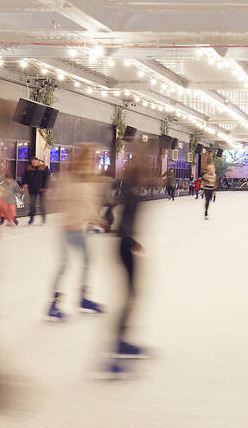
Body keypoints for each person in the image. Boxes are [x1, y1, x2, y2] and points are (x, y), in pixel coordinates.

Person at [47, 145, 106, 320]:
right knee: (65, 265)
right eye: (88, 159)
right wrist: (94, 219)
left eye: (92, 160)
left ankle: (83, 298)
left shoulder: (89, 180)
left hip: (79, 229)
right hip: (67, 228)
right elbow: (66, 201)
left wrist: (97, 220)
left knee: (88, 261)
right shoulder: (71, 179)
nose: (91, 163)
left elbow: (90, 204)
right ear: (81, 160)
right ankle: (53, 304)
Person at [107, 155, 148, 372]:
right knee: (130, 295)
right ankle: (114, 350)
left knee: (132, 295)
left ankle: (121, 342)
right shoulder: (132, 193)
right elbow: (124, 223)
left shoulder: (133, 191)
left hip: (126, 244)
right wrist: (130, 240)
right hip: (124, 246)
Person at [22, 156, 50, 225]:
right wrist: (24, 183)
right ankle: (31, 218)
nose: (33, 163)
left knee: (42, 204)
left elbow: (47, 178)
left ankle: (43, 218)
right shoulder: (29, 167)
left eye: (34, 162)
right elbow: (24, 177)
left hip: (42, 188)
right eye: (32, 162)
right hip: (32, 188)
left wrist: (45, 187)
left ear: (38, 162)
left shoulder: (44, 167)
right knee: (32, 204)